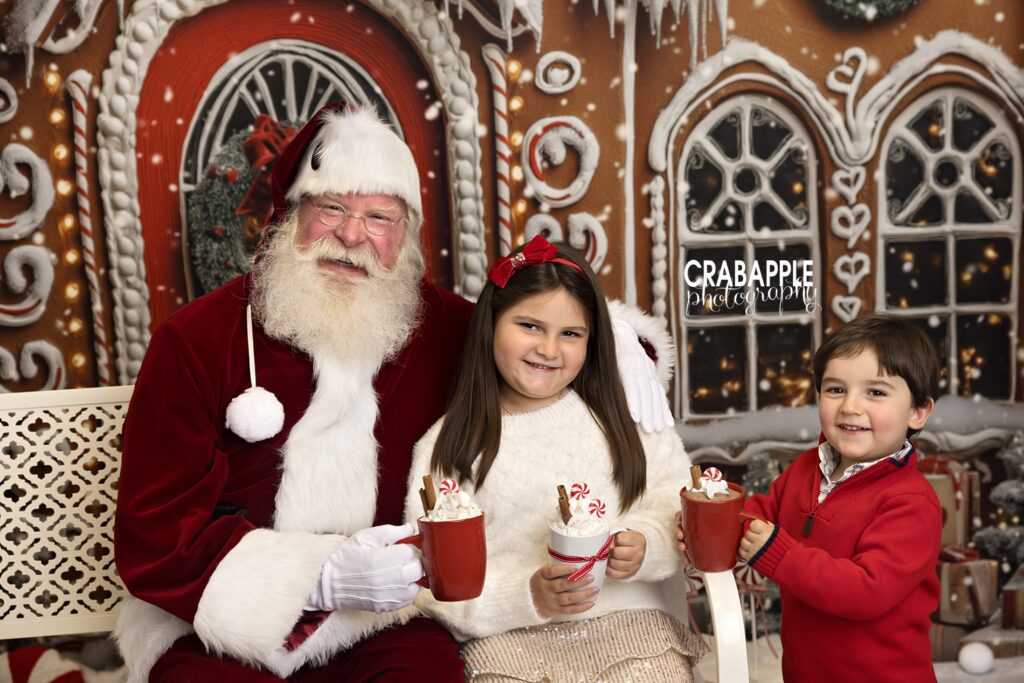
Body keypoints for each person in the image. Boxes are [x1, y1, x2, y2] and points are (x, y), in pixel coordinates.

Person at [113, 103, 673, 682]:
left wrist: (622, 343)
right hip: (218, 625)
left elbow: (533, 334)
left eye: (380, 217)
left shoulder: (440, 327)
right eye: (332, 208)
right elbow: (155, 535)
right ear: (290, 213)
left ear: (405, 235)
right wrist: (318, 577)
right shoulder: (197, 340)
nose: (353, 236)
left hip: (384, 616)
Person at [406, 236, 707, 682]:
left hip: (632, 631)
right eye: (529, 326)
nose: (549, 349)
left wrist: (647, 545)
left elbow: (676, 496)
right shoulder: (449, 447)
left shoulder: (620, 420)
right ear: (491, 324)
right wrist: (526, 595)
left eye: (570, 334)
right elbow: (430, 579)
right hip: (507, 643)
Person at [682, 314, 941, 682]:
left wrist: (778, 553)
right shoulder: (807, 468)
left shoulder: (911, 502)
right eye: (836, 389)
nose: (851, 406)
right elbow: (756, 519)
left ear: (917, 411)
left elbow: (866, 591)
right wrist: (704, 524)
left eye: (876, 392)